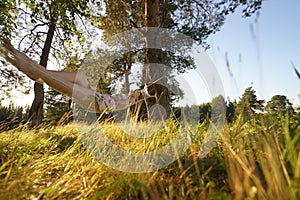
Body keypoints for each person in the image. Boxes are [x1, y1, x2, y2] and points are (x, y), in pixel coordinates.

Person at [0, 39, 134, 113]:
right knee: (72, 75)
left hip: (94, 102)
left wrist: (140, 95)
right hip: (93, 93)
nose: (132, 92)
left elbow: (126, 102)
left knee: (43, 74)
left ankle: (9, 56)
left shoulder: (128, 101)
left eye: (134, 94)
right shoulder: (125, 95)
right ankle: (13, 52)